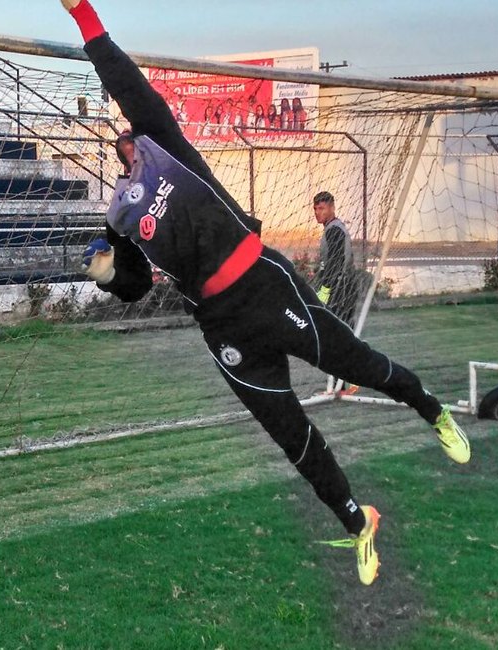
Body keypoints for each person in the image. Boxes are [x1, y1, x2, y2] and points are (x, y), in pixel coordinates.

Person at [61, 0, 471, 586]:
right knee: (290, 435)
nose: (127, 146)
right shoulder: (121, 220)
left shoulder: (171, 153)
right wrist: (104, 273)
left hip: (262, 284)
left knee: (360, 363)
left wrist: (84, 15)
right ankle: (359, 524)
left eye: (131, 137)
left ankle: (431, 408)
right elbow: (131, 286)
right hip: (221, 327)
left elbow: (128, 84)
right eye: (121, 150)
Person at [312, 191, 359, 328]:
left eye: (322, 208)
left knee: (336, 330)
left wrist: (324, 292)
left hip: (341, 290)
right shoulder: (334, 227)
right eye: (315, 209)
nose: (317, 212)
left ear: (332, 208)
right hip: (342, 287)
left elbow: (335, 263)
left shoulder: (334, 230)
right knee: (343, 330)